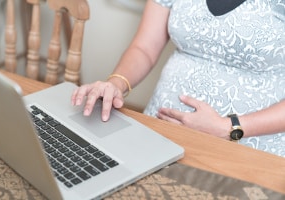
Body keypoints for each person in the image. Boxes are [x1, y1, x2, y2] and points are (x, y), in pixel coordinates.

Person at [71, 0, 285, 157]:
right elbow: (144, 48)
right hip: (161, 131)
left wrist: (229, 127)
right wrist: (116, 83)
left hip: (248, 147)